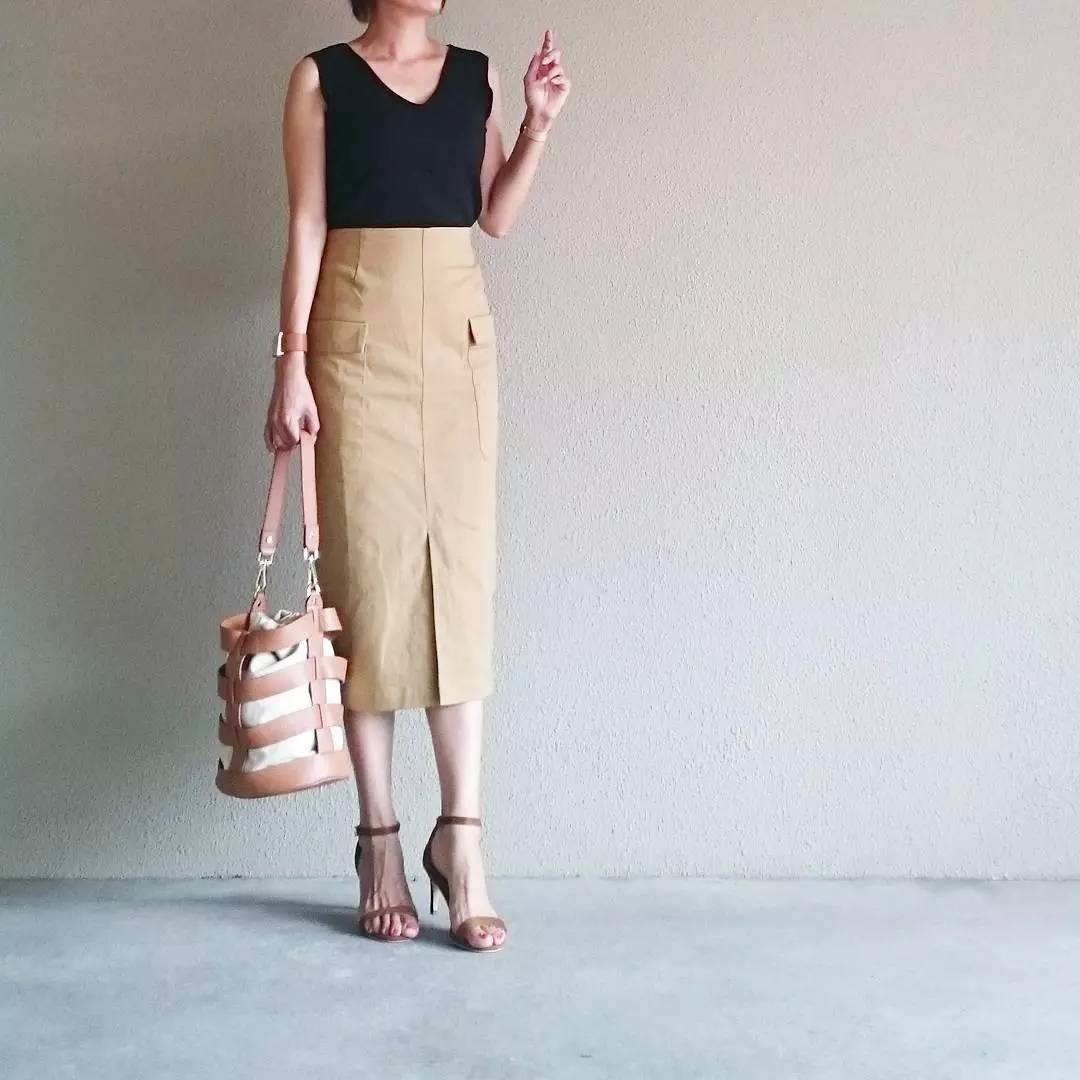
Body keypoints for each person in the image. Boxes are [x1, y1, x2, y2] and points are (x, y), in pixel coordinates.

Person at [263, 2, 571, 952]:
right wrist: (290, 364)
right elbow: (307, 221)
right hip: (356, 339)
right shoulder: (321, 77)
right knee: (370, 586)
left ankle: (463, 840)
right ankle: (380, 841)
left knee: (459, 585)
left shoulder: (475, 73)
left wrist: (537, 124)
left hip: (457, 339)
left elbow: (496, 215)